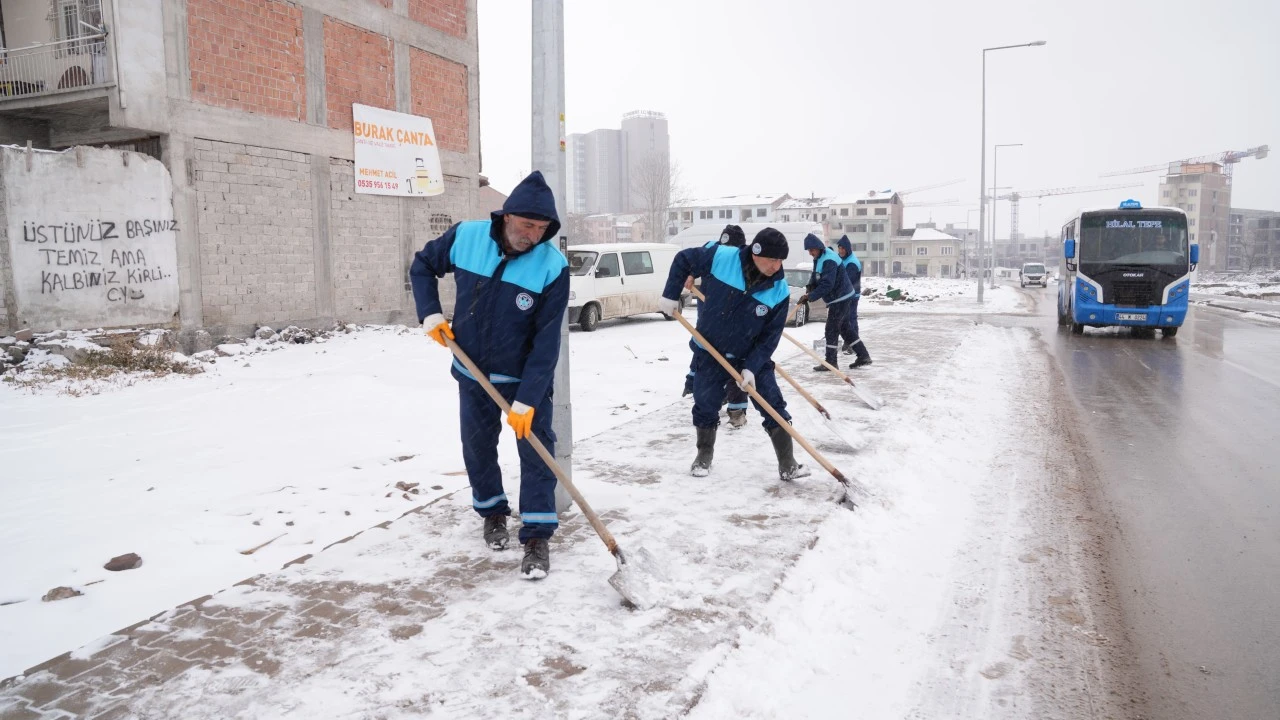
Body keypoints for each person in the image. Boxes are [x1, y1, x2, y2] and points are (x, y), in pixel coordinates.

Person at [409, 171, 568, 580]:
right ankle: (492, 512)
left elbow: (548, 341)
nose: (533, 235)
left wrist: (528, 398)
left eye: (542, 229)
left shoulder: (552, 266)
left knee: (536, 455)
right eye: (527, 225)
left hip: (522, 382)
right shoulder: (467, 237)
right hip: (472, 372)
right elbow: (423, 264)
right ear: (507, 216)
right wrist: (430, 313)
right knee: (477, 448)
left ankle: (536, 537)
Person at [658, 228, 810, 481]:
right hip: (711, 350)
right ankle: (703, 455)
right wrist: (670, 294)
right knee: (706, 403)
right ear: (756, 252)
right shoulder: (722, 257)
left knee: (772, 404)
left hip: (751, 356)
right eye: (772, 259)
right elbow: (684, 259)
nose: (776, 266)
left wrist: (751, 367)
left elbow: (769, 338)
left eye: (780, 260)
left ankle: (788, 462)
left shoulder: (779, 291)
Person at [682, 225, 751, 432]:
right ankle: (701, 390)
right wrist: (692, 274)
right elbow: (695, 262)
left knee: (734, 362)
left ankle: (737, 411)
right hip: (709, 315)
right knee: (704, 352)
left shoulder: (746, 258)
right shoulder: (712, 249)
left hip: (735, 319)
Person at [797, 234, 855, 372]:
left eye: (811, 250)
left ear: (818, 248)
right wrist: (810, 288)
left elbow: (827, 284)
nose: (810, 253)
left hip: (841, 297)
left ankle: (831, 362)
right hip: (838, 297)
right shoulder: (819, 257)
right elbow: (815, 275)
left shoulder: (829, 260)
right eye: (808, 251)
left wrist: (811, 297)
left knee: (831, 329)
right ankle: (861, 355)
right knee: (841, 328)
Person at [836, 236, 872, 368]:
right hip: (844, 295)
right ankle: (850, 342)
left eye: (843, 248)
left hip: (852, 295)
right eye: (839, 248)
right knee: (846, 319)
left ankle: (852, 342)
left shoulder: (852, 262)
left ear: (848, 249)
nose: (840, 250)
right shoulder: (842, 259)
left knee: (850, 318)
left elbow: (848, 281)